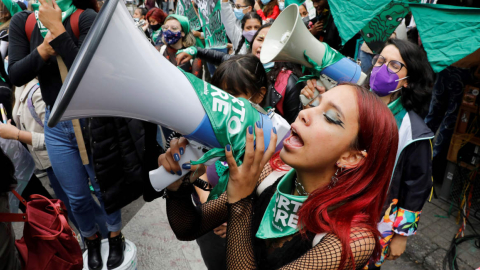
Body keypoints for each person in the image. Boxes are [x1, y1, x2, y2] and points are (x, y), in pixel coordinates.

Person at [161, 83, 399, 269]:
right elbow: (188, 228)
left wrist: (241, 202)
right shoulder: (273, 172)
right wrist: (177, 187)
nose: (305, 113)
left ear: (351, 157)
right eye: (314, 103)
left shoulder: (354, 239)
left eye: (330, 117)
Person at [8, 0, 124, 269]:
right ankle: (91, 239)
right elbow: (15, 73)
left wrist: (58, 31)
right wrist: (43, 50)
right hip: (55, 123)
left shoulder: (85, 17)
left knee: (106, 185)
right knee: (76, 196)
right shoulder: (23, 22)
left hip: (91, 120)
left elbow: (90, 71)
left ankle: (116, 235)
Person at [364, 39, 434, 268]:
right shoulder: (352, 103)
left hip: (375, 220)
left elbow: (417, 186)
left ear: (408, 81)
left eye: (394, 65)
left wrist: (402, 235)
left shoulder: (413, 131)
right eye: (380, 61)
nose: (383, 68)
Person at [177, 23, 303, 123]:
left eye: (271, 42)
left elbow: (292, 125)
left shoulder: (290, 82)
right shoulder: (242, 64)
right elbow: (220, 57)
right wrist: (195, 50)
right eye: (260, 39)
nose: (263, 45)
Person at [161, 14, 203, 79]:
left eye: (174, 28)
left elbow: (196, 84)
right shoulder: (159, 50)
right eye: (165, 28)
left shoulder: (193, 57)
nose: (168, 31)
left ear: (183, 32)